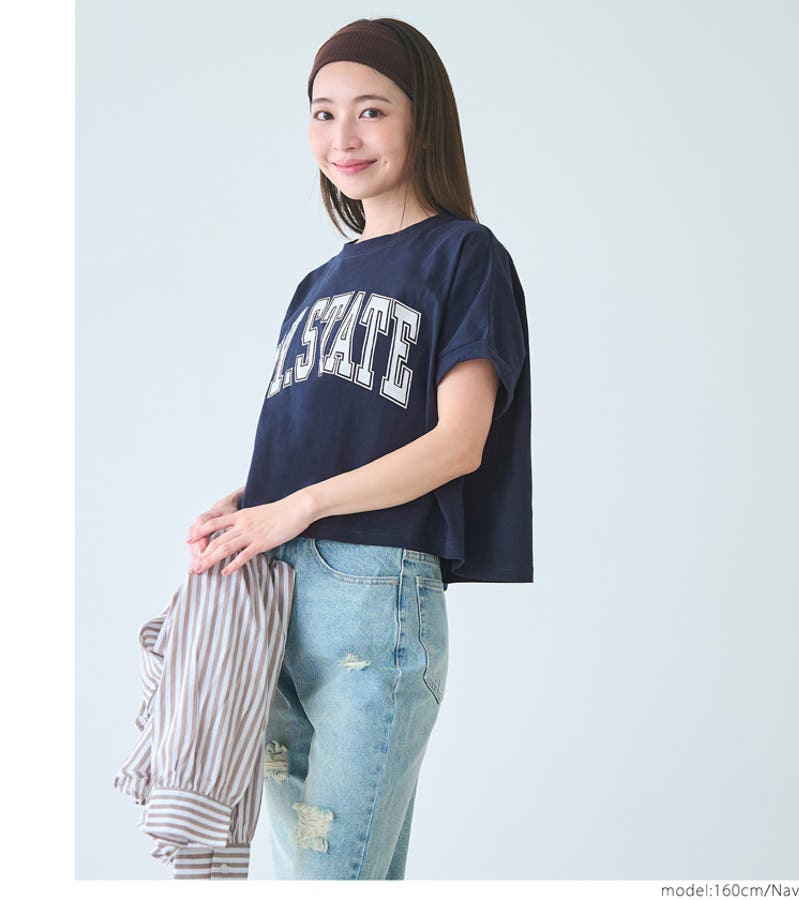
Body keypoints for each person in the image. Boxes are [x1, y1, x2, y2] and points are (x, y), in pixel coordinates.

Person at [183, 16, 533, 880]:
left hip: (375, 597)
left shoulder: (464, 256)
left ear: (422, 121)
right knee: (311, 874)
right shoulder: (318, 283)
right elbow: (339, 434)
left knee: (330, 877)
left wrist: (297, 506)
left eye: (371, 111)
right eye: (323, 112)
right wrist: (253, 503)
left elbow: (459, 443)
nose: (343, 137)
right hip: (273, 597)